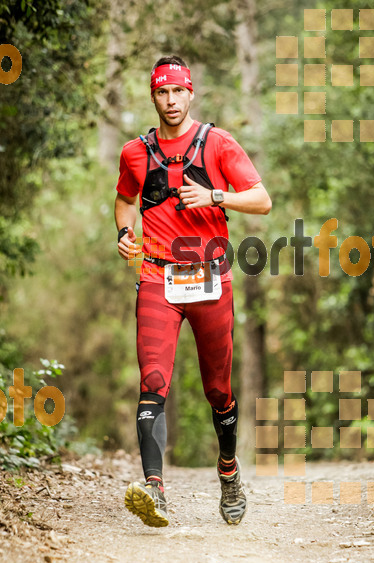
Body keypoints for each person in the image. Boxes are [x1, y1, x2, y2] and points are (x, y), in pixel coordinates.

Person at [115, 55, 271, 528]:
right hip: (157, 276)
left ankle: (228, 472)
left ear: (190, 93)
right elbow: (124, 201)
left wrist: (215, 196)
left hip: (209, 277)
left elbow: (262, 201)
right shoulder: (134, 153)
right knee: (153, 383)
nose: (170, 100)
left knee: (218, 390)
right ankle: (155, 491)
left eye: (177, 91)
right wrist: (124, 235)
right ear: (153, 97)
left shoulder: (219, 143)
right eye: (162, 92)